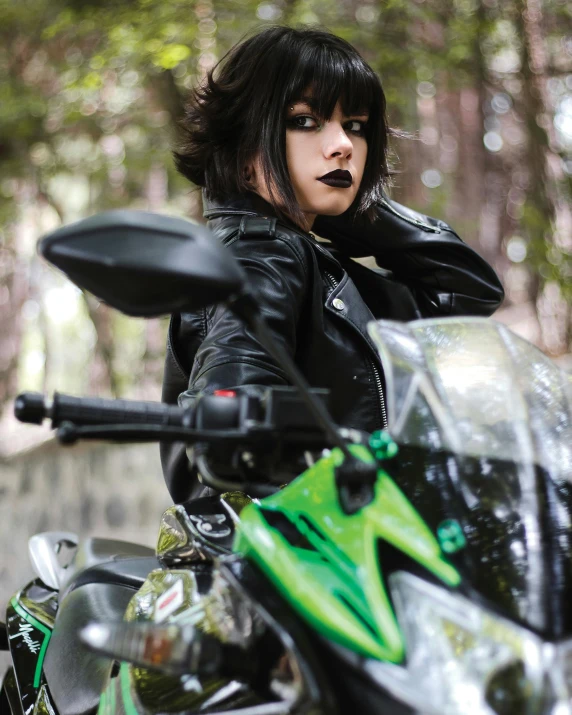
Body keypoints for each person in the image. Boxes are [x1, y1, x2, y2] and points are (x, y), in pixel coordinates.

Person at [161, 25, 504, 503]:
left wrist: (352, 210)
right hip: (305, 557)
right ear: (243, 150)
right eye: (305, 121)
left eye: (356, 126)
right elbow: (233, 387)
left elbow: (465, 293)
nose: (342, 143)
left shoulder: (319, 265)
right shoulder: (261, 256)